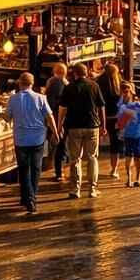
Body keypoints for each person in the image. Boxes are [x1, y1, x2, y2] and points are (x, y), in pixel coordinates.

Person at [7, 72, 54, 216]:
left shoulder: (13, 99)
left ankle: (27, 197)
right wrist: (56, 133)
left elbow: (8, 118)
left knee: (23, 169)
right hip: (38, 138)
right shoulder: (41, 98)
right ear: (32, 84)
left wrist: (2, 115)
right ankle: (31, 197)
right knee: (35, 168)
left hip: (21, 139)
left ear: (20, 83)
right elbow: (49, 117)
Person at [58, 62, 104, 200]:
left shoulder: (69, 88)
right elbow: (101, 106)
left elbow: (62, 109)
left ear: (75, 73)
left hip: (74, 126)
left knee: (75, 159)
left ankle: (75, 189)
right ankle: (92, 188)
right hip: (92, 125)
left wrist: (59, 125)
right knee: (92, 158)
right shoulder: (94, 86)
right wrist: (103, 125)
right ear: (87, 72)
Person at [116, 81, 140, 187]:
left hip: (132, 133)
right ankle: (133, 178)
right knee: (133, 156)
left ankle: (133, 178)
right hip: (133, 133)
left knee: (133, 156)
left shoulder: (125, 106)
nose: (125, 93)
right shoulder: (134, 105)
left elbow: (123, 117)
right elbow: (138, 118)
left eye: (126, 91)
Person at [98, 61, 124, 179]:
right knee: (115, 144)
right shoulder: (120, 85)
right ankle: (114, 169)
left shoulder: (99, 82)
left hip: (101, 116)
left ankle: (93, 168)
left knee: (95, 143)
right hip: (116, 117)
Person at [44, 61, 68, 180]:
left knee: (58, 144)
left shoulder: (54, 83)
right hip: (62, 120)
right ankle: (59, 170)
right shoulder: (64, 83)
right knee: (60, 145)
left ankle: (57, 170)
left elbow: (52, 104)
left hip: (56, 119)